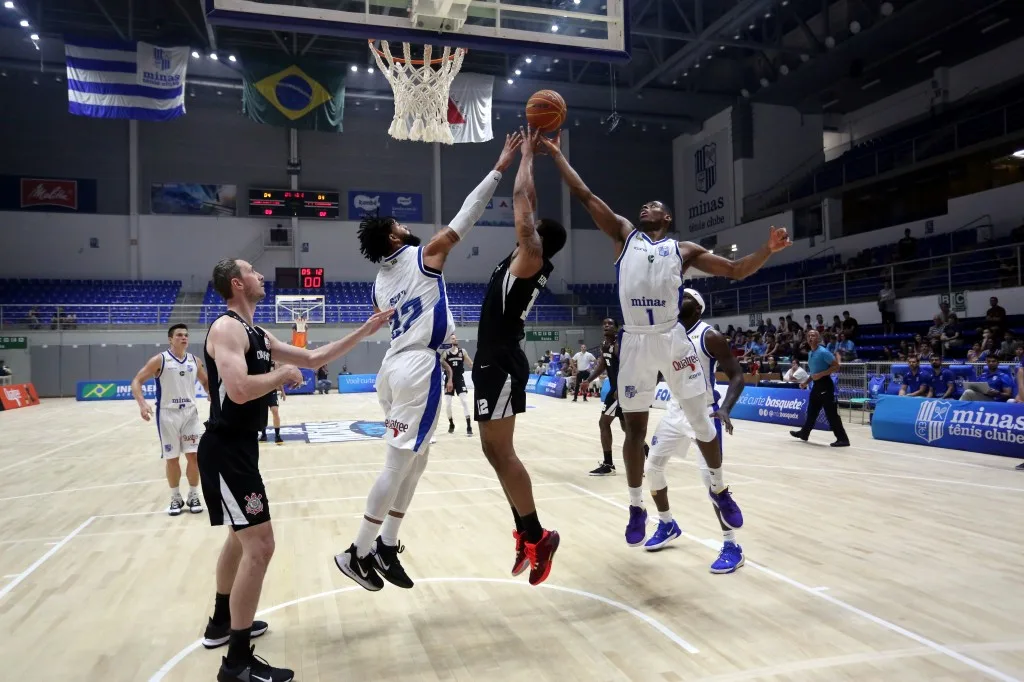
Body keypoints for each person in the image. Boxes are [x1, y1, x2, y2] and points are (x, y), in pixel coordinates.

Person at [542, 130, 791, 545]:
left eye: (655, 205)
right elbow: (584, 195)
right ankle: (637, 506)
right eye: (645, 204)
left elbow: (735, 269)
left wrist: (766, 250)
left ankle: (719, 488)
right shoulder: (625, 235)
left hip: (672, 338)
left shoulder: (685, 250)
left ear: (668, 219)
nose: (646, 206)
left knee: (703, 419)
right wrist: (556, 155)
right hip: (636, 339)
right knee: (634, 430)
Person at [334, 133, 522, 592]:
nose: (406, 226)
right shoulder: (423, 257)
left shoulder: (379, 283)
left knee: (416, 462)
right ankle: (357, 550)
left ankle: (387, 543)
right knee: (399, 464)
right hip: (418, 368)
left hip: (396, 368)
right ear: (394, 236)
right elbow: (467, 215)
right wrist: (500, 167)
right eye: (400, 223)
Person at [198, 258, 392, 682]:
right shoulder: (226, 328)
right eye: (253, 271)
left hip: (240, 449)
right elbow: (238, 389)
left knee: (240, 537)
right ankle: (236, 663)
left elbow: (312, 356)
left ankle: (219, 622)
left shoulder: (256, 333)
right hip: (227, 449)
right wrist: (279, 375)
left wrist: (364, 330)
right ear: (237, 283)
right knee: (261, 546)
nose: (261, 275)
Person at [474, 127, 567, 585]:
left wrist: (524, 156)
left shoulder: (529, 256)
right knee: (491, 451)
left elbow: (521, 202)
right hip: (492, 359)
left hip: (502, 361)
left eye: (530, 227)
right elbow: (529, 200)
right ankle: (524, 531)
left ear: (536, 238)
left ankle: (538, 535)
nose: (524, 224)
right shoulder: (524, 256)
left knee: (502, 451)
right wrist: (534, 160)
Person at [643, 290, 747, 573]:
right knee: (652, 468)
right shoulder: (667, 335)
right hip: (675, 411)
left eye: (686, 295)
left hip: (703, 412)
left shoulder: (709, 336)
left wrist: (725, 408)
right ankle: (667, 524)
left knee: (712, 483)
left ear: (698, 309)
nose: (679, 297)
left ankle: (731, 545)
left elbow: (738, 375)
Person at [130, 323, 210, 516]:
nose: (184, 338)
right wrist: (142, 403)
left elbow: (206, 381)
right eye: (180, 335)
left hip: (190, 413)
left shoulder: (195, 361)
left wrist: (211, 394)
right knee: (172, 459)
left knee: (193, 456)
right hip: (167, 414)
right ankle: (175, 497)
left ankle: (193, 495)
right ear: (170, 339)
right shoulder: (160, 360)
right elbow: (136, 381)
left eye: (186, 335)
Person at [790, 329, 850, 447]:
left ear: (818, 339)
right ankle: (804, 433)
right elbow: (813, 373)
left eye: (813, 336)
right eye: (809, 336)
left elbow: (836, 366)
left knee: (831, 414)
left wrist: (822, 374)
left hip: (825, 385)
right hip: (816, 386)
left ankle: (843, 439)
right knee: (811, 412)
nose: (810, 337)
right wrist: (806, 382)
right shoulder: (811, 353)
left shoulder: (823, 352)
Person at [587, 318, 624, 476]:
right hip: (615, 390)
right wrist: (588, 380)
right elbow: (602, 364)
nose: (606, 326)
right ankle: (648, 454)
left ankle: (608, 465)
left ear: (616, 328)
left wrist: (622, 387)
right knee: (628, 429)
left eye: (610, 324)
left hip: (619, 391)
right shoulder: (604, 345)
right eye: (604, 324)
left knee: (603, 423)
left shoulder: (619, 345)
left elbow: (627, 366)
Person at [442, 333, 474, 436]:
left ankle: (469, 426)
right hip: (449, 380)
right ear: (449, 341)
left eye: (455, 338)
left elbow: (470, 364)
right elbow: (442, 365)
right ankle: (451, 423)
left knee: (464, 401)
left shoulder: (462, 352)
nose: (455, 340)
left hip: (460, 379)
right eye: (452, 339)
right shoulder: (445, 353)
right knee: (447, 404)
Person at [259, 358, 285, 445]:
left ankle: (277, 435)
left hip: (272, 391)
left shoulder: (275, 363)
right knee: (262, 413)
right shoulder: (259, 359)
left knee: (275, 410)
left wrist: (282, 391)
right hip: (261, 390)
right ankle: (263, 434)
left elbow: (279, 378)